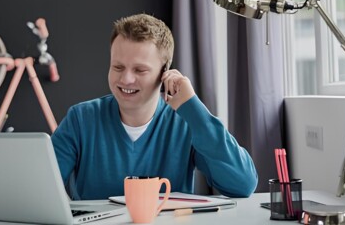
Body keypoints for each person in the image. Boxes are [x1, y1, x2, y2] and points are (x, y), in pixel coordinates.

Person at [51, 13, 257, 200]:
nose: (126, 79)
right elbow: (41, 189)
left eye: (140, 70)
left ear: (165, 72)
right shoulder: (80, 118)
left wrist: (193, 108)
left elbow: (243, 185)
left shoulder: (186, 122)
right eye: (118, 67)